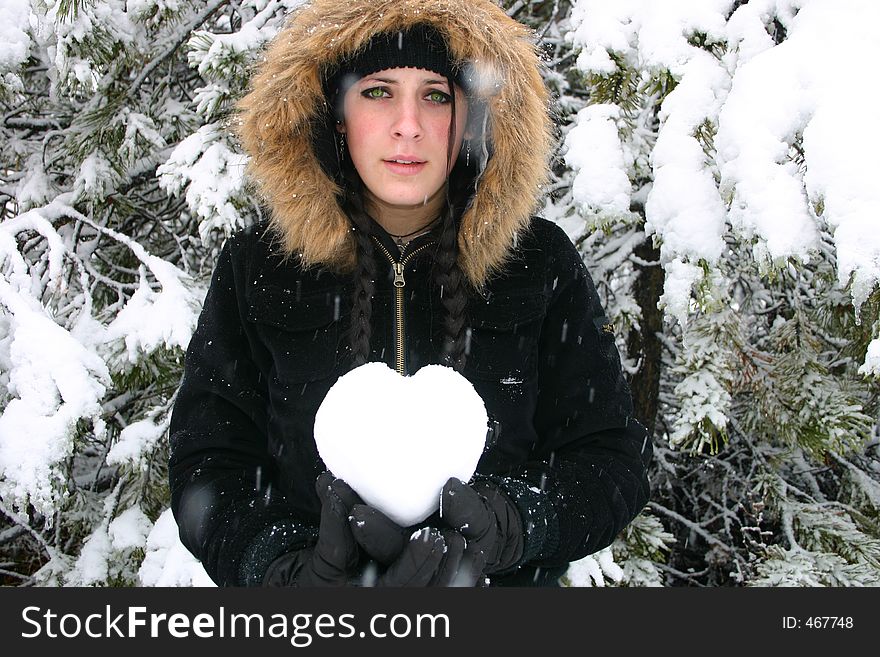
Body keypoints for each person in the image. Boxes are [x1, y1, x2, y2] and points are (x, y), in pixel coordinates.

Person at [169, 0, 652, 587]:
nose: (408, 125)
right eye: (377, 91)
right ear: (334, 113)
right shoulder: (261, 266)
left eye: (436, 94)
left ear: (472, 116)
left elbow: (608, 456)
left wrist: (512, 524)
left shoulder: (537, 261)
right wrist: (286, 570)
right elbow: (211, 463)